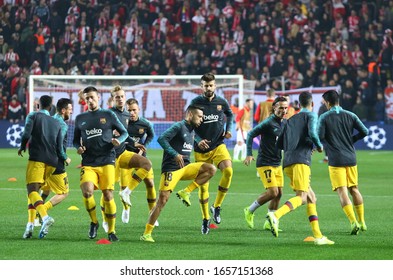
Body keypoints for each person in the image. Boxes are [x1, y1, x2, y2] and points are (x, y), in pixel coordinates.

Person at [140, 105, 217, 242]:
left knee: (211, 169)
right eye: (199, 116)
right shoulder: (178, 126)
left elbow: (189, 138)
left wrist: (199, 142)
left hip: (185, 167)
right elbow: (162, 139)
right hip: (171, 169)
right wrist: (174, 154)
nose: (201, 120)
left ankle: (186, 192)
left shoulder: (192, 130)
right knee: (162, 201)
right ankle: (146, 233)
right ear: (190, 114)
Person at [267, 91, 335, 245]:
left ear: (298, 104)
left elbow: (279, 144)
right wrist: (318, 145)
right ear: (312, 104)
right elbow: (312, 132)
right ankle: (276, 215)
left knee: (311, 198)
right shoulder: (311, 116)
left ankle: (318, 237)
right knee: (302, 197)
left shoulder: (290, 119)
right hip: (301, 161)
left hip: (288, 162)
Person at [176, 73, 234, 225]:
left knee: (228, 171)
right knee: (204, 186)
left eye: (211, 85)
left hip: (218, 145)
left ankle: (217, 206)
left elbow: (230, 114)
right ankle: (205, 218)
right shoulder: (195, 103)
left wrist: (229, 129)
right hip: (200, 149)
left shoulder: (222, 102)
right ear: (201, 86)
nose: (208, 88)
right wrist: (198, 140)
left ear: (215, 86)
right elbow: (187, 125)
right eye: (205, 85)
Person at [73, 86, 128, 242]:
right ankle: (94, 222)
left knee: (108, 194)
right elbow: (76, 140)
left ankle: (111, 231)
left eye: (92, 97)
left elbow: (124, 132)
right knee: (87, 192)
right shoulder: (79, 118)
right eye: (87, 98)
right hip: (89, 161)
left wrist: (119, 140)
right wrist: (79, 147)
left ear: (98, 97)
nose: (89, 100)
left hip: (107, 160)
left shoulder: (108, 114)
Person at [318, 89, 369, 235]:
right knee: (354, 189)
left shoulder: (324, 117)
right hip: (351, 157)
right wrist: (352, 139)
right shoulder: (351, 115)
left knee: (342, 192)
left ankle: (353, 222)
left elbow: (321, 136)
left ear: (327, 102)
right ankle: (362, 222)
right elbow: (365, 131)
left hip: (336, 159)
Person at [23, 98, 73, 238]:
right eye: (69, 109)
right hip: (55, 163)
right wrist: (65, 157)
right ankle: (43, 211)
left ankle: (31, 223)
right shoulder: (61, 125)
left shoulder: (49, 119)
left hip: (42, 160)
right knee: (64, 192)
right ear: (63, 110)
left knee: (39, 189)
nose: (71, 111)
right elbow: (57, 146)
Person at [243, 96, 288, 231]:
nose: (284, 110)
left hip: (277, 162)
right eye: (281, 108)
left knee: (279, 193)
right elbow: (250, 134)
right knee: (273, 192)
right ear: (274, 107)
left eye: (285, 108)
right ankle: (249, 210)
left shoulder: (285, 123)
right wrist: (249, 154)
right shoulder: (268, 122)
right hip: (265, 162)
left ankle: (270, 221)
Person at [124, 98, 158, 225]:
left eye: (134, 110)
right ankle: (126, 210)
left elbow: (151, 135)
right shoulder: (123, 124)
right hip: (126, 158)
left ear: (139, 110)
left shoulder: (145, 123)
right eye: (129, 110)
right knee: (124, 187)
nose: (132, 113)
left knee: (150, 183)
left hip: (141, 157)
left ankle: (152, 214)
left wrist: (144, 145)